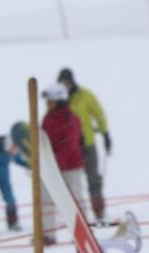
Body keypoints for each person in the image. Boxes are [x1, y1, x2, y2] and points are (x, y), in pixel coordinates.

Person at [58, 67, 110, 221]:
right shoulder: (59, 100)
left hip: (87, 144)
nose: (65, 85)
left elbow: (98, 113)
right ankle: (73, 214)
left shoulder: (85, 95)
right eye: (62, 83)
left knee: (93, 177)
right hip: (69, 147)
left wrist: (105, 132)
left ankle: (98, 210)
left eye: (67, 82)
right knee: (71, 181)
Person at [41, 83, 86, 244]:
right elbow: (44, 141)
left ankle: (82, 234)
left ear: (59, 100)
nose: (47, 104)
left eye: (50, 100)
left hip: (71, 166)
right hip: (52, 167)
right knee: (45, 200)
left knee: (75, 200)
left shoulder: (71, 119)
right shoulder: (47, 118)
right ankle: (48, 235)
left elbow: (70, 144)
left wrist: (55, 161)